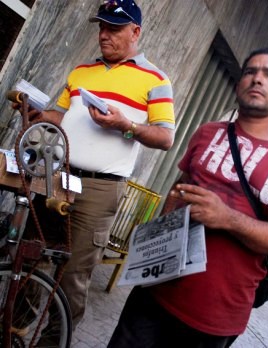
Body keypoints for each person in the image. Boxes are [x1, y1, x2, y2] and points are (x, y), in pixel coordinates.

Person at [108, 47, 268, 348]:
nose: (257, 79)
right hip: (154, 291)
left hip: (214, 317)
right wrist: (155, 241)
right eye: (250, 72)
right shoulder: (208, 133)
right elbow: (180, 187)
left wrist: (227, 218)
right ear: (238, 84)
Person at [13, 0, 175, 335]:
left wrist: (124, 125)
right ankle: (14, 329)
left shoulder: (156, 80)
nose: (104, 35)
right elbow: (60, 115)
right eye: (101, 27)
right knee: (31, 254)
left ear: (135, 32)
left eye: (113, 28)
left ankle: (53, 341)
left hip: (100, 189)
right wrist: (36, 113)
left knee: (73, 274)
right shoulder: (81, 71)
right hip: (57, 175)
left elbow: (164, 138)